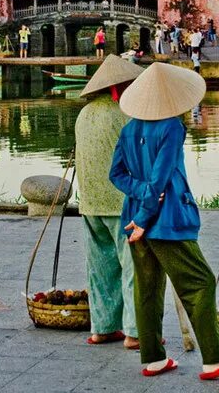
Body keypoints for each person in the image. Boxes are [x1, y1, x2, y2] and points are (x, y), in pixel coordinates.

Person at [110, 63, 219, 381]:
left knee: (147, 288)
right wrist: (147, 214)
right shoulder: (172, 126)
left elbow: (116, 174)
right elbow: (160, 183)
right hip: (165, 220)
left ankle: (153, 359)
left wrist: (140, 199)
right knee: (201, 282)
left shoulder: (130, 128)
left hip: (133, 219)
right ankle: (214, 360)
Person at [75, 55, 145, 350]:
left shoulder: (84, 113)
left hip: (90, 202)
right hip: (121, 204)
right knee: (133, 269)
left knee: (100, 269)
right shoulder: (124, 115)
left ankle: (102, 328)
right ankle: (133, 332)